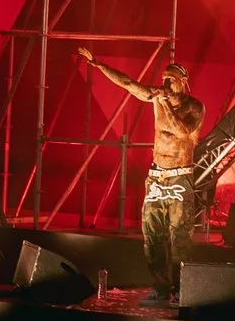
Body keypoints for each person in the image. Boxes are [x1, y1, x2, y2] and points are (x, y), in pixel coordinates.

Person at [79, 47, 209, 306]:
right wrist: (98, 64)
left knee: (180, 238)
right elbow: (128, 84)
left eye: (171, 78)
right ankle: (161, 289)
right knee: (152, 236)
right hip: (157, 178)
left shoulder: (194, 107)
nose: (166, 82)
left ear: (184, 82)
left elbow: (181, 130)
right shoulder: (156, 98)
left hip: (180, 179)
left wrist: (163, 102)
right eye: (164, 77)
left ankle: (183, 290)